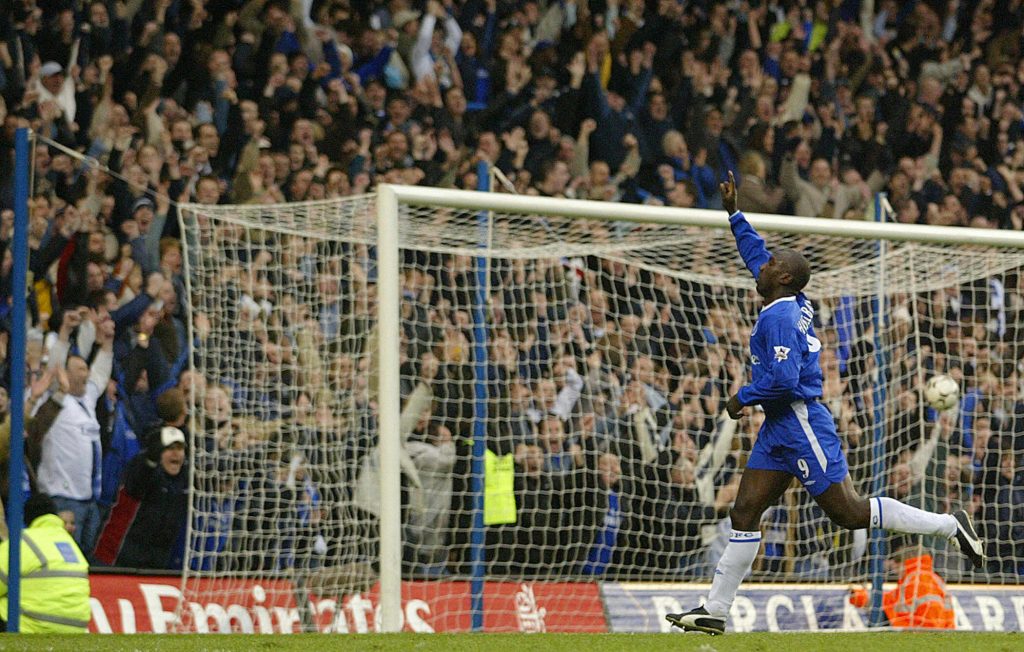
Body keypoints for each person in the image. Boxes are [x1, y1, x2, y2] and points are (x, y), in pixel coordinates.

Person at [666, 171, 985, 635]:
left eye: (772, 264)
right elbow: (757, 255)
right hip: (779, 428)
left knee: (849, 513)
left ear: (785, 279)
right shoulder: (789, 298)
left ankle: (949, 526)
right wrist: (735, 214)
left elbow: (784, 380)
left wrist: (741, 398)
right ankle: (715, 610)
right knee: (744, 512)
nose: (762, 265)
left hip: (800, 421)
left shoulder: (779, 317)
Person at [0, 494, 91, 633]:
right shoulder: (70, 545)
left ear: (27, 518)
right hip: (75, 629)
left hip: (31, 627)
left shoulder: (23, 542)